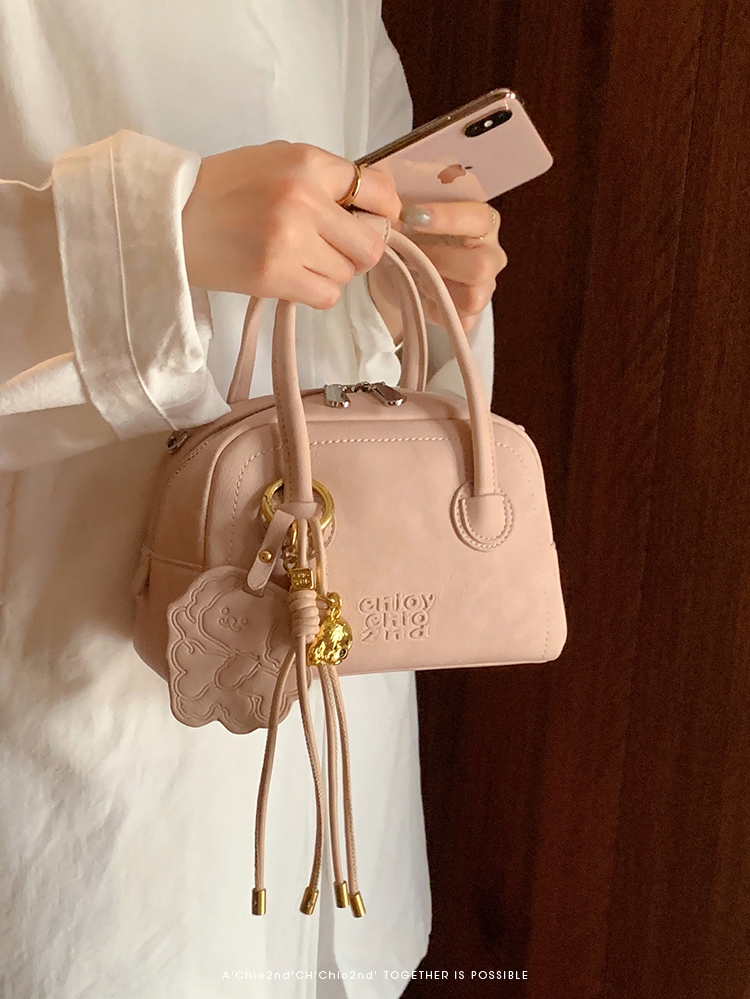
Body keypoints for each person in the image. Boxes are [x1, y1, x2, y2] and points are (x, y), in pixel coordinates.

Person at [0, 2, 507, 996]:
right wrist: (159, 242)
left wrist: (402, 300)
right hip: (81, 767)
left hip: (336, 761)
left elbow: (347, 323)